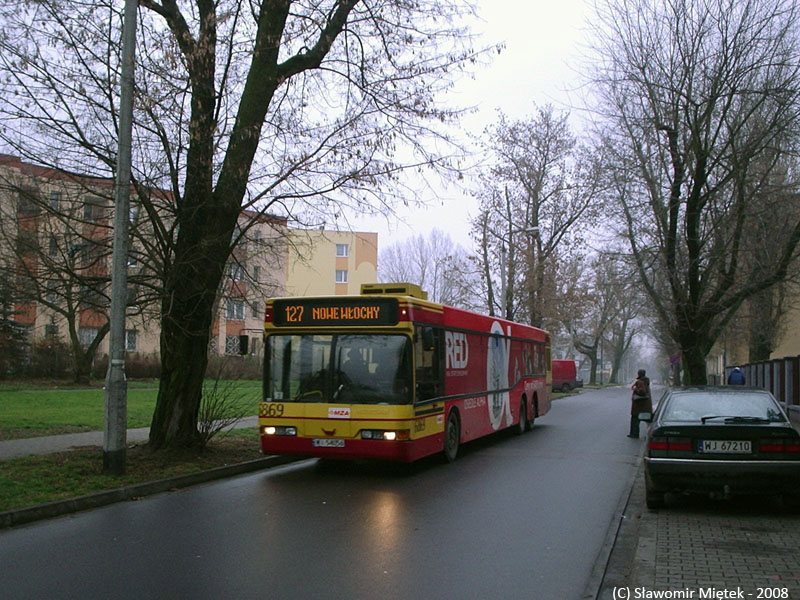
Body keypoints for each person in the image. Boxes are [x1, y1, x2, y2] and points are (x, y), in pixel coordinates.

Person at [628, 369, 652, 438]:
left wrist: (636, 390)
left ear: (639, 374)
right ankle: (649, 433)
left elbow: (643, 391)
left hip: (638, 405)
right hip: (645, 405)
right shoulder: (646, 381)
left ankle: (634, 434)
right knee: (647, 419)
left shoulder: (640, 382)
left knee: (635, 419)